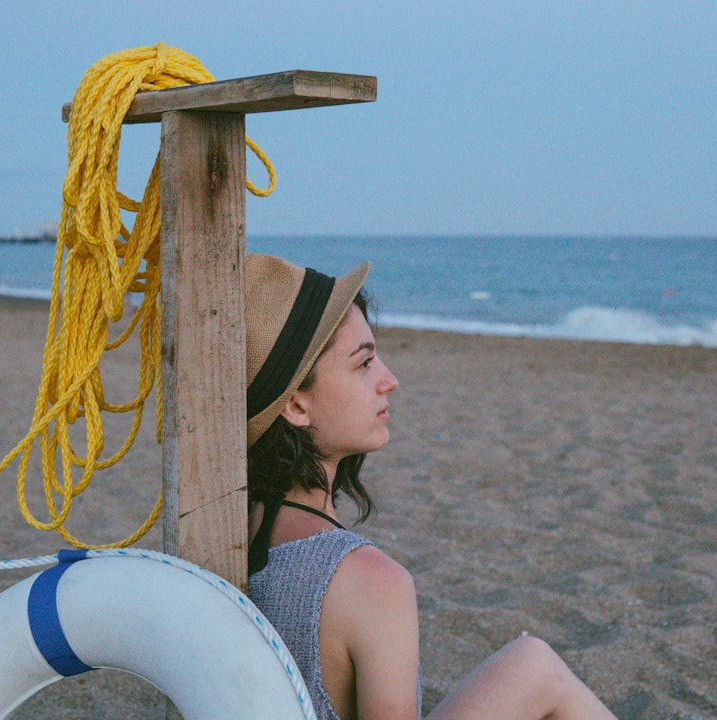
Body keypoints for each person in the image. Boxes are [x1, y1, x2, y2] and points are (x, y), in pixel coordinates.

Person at [244, 254, 616, 720]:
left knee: (533, 664)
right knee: (537, 667)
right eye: (364, 364)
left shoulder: (236, 531)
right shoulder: (369, 581)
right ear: (296, 406)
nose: (389, 381)